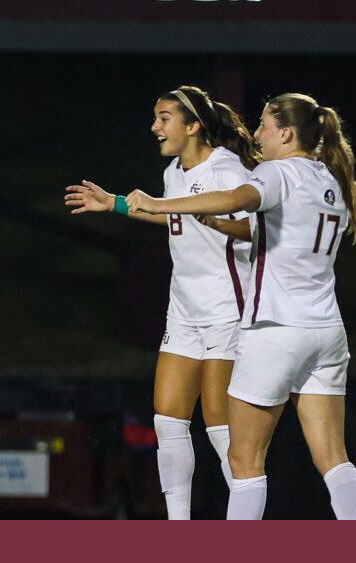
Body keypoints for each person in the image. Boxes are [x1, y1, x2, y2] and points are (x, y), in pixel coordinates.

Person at [119, 93, 356, 520]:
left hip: (275, 331)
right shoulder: (331, 180)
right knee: (334, 458)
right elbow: (271, 234)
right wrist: (216, 223)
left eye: (264, 126)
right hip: (327, 331)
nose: (257, 134)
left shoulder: (277, 172)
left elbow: (236, 197)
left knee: (245, 463)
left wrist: (160, 204)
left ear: (287, 134)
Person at [65, 86, 260, 519]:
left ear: (193, 125)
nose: (155, 126)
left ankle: (248, 521)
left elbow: (255, 231)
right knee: (168, 420)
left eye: (165, 117)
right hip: (184, 310)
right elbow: (167, 212)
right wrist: (113, 204)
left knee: (218, 425)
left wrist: (209, 216)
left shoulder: (227, 168)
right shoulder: (175, 171)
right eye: (155, 117)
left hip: (227, 310)